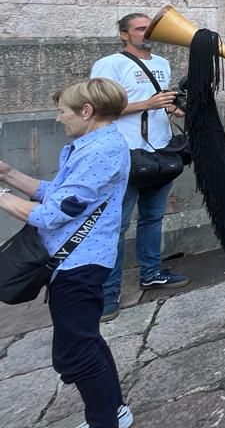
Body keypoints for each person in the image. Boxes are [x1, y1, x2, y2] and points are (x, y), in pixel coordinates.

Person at [0, 78, 134, 428]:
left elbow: (52, 213)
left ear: (86, 111)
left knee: (75, 354)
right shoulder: (91, 145)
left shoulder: (101, 150)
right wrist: (9, 173)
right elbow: (58, 192)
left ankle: (105, 421)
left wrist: (0, 196)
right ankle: (115, 412)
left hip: (79, 265)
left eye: (62, 112)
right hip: (76, 261)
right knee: (87, 341)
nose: (59, 119)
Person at [90, 13, 188, 322]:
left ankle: (151, 272)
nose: (147, 33)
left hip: (158, 149)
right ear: (123, 34)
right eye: (139, 29)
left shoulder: (161, 63)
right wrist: (146, 105)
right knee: (115, 225)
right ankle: (108, 292)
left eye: (149, 28)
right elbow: (99, 107)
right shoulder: (109, 65)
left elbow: (159, 103)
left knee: (152, 218)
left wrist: (172, 108)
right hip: (124, 153)